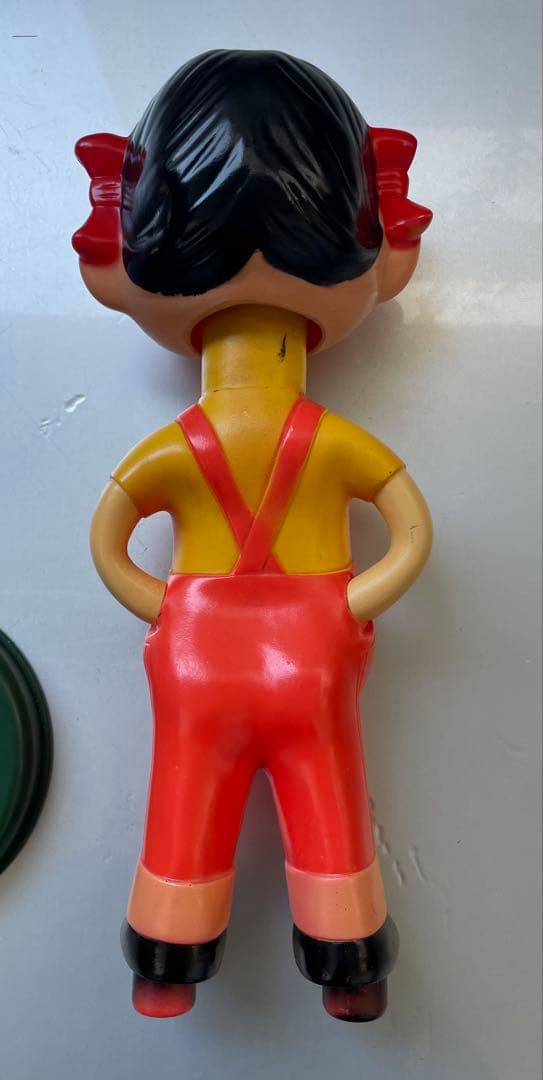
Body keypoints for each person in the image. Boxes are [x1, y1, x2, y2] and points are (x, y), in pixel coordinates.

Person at [73, 49, 433, 1022]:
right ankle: (349, 962)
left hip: (199, 650)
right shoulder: (336, 442)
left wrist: (171, 606)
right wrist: (352, 599)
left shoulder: (174, 448)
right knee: (327, 791)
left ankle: (168, 957)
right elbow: (409, 528)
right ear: (385, 249)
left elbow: (109, 538)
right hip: (312, 641)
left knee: (185, 794)